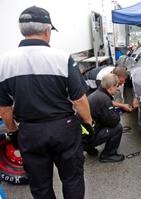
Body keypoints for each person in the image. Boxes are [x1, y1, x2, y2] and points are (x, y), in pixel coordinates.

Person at [0, 6, 93, 199]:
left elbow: (4, 108)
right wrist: (88, 123)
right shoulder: (62, 57)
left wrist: (12, 131)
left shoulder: (4, 62)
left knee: (40, 186)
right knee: (72, 179)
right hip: (64, 129)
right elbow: (79, 99)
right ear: (47, 31)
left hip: (30, 131)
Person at [86, 73, 124, 162]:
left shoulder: (95, 94)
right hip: (88, 139)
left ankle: (89, 149)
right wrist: (117, 112)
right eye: (116, 86)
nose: (117, 88)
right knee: (117, 128)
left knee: (100, 121)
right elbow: (113, 121)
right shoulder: (104, 100)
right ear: (111, 87)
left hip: (82, 136)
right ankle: (108, 155)